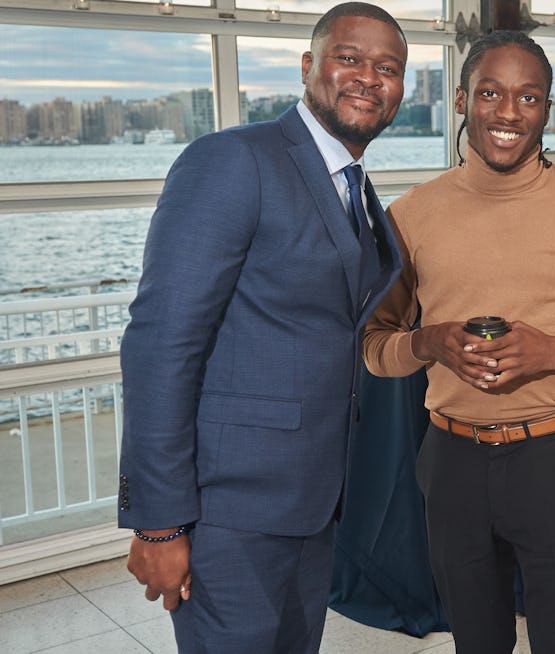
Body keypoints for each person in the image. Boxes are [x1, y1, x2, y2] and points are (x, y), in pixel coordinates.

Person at [116, 3, 406, 651]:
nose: (369, 77)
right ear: (309, 66)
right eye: (349, 57)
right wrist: (158, 524)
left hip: (313, 505)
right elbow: (161, 345)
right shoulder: (232, 161)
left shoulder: (352, 186)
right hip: (230, 515)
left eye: (388, 68)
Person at [362, 30, 555, 654]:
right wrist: (429, 343)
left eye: (529, 97)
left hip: (551, 460)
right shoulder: (411, 215)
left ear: (548, 109)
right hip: (450, 462)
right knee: (477, 642)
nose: (508, 112)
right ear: (463, 99)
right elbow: (375, 348)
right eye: (491, 92)